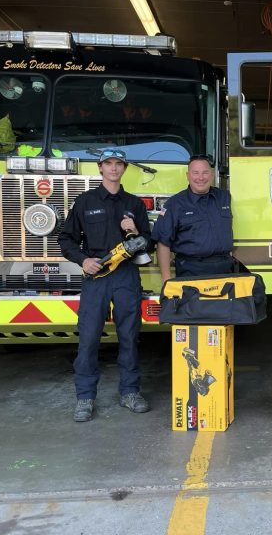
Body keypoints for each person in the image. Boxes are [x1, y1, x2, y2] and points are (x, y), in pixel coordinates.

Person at [58, 149, 152, 423]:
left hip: (126, 277)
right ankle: (85, 398)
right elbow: (66, 239)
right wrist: (83, 260)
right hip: (96, 277)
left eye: (118, 164)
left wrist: (134, 231)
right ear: (100, 168)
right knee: (88, 338)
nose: (113, 168)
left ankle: (130, 393)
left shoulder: (134, 204)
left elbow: (149, 243)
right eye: (108, 164)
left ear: (124, 168)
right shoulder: (85, 202)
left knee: (129, 337)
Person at [152, 155, 233, 281]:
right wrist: (166, 280)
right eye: (195, 173)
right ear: (188, 175)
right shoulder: (174, 204)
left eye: (205, 172)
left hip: (224, 270)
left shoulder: (224, 198)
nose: (201, 178)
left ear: (211, 175)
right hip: (191, 271)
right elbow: (163, 243)